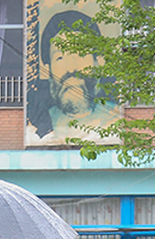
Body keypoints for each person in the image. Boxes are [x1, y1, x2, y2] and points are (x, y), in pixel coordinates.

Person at [26, 10, 116, 143]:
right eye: (60, 58)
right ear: (47, 69)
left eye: (81, 54)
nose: (71, 68)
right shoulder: (36, 126)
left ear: (99, 61)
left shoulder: (115, 117)